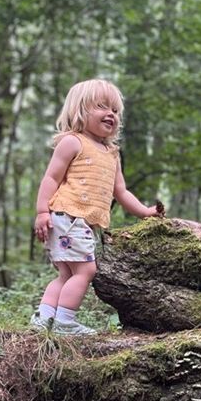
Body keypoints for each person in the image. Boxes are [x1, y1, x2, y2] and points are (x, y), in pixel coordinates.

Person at [30, 79, 163, 335]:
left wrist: (145, 212)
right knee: (86, 270)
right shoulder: (73, 142)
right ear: (80, 111)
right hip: (68, 215)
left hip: (79, 221)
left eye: (114, 110)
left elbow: (121, 191)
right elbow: (51, 178)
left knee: (67, 275)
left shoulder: (111, 153)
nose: (110, 114)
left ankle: (43, 319)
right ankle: (64, 322)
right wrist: (42, 212)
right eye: (101, 106)